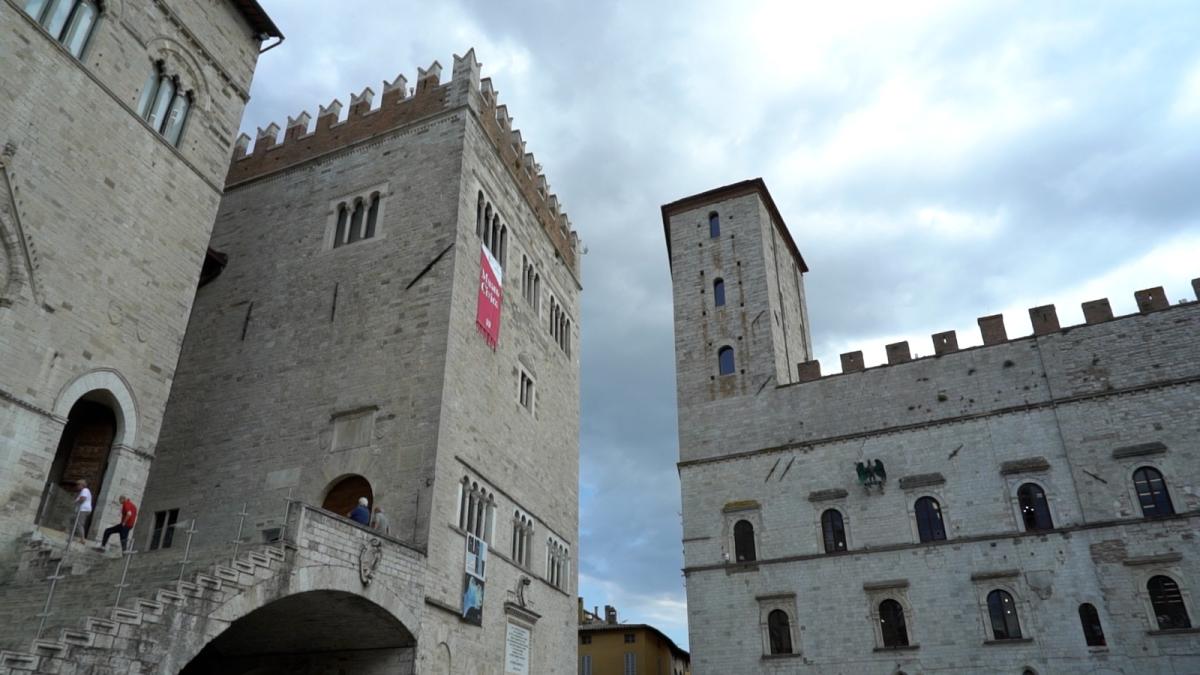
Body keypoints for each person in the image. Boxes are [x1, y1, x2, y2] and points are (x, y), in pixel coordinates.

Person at [73, 480, 93, 545]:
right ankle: (75, 536)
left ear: (82, 485)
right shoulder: (84, 491)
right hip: (84, 509)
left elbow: (83, 499)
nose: (77, 486)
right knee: (77, 522)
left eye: (78, 485)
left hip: (83, 509)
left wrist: (76, 502)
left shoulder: (85, 490)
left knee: (79, 524)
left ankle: (82, 539)